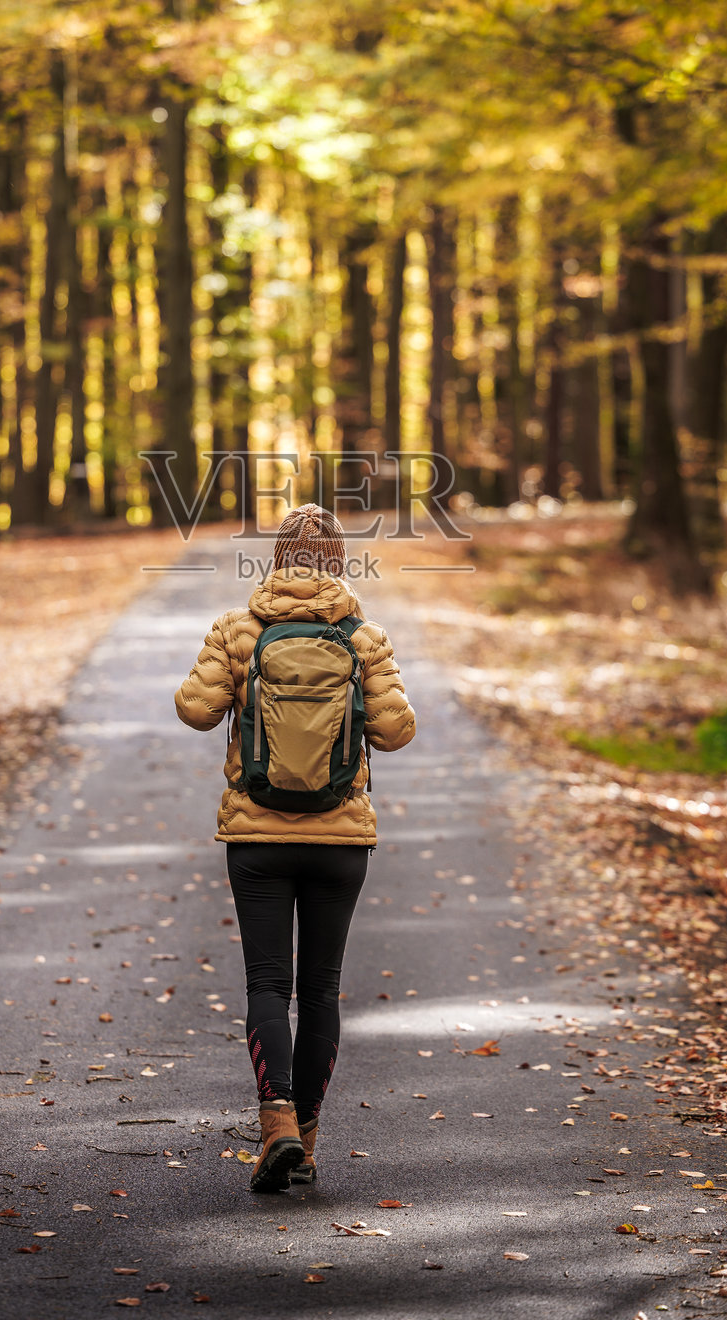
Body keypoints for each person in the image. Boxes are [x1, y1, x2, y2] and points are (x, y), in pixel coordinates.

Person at [174, 504, 416, 1193]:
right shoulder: (364, 637)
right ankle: (304, 1142)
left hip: (256, 836)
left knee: (267, 984)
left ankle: (275, 1121)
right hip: (339, 839)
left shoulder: (238, 629)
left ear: (277, 562)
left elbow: (194, 710)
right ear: (338, 564)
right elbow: (397, 732)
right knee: (319, 990)